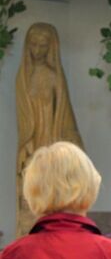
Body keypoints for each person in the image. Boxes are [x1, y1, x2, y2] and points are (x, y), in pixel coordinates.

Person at [15, 22, 84, 236]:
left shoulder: (54, 77)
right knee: (29, 194)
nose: (37, 50)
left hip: (52, 141)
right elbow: (24, 117)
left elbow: (64, 113)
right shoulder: (23, 78)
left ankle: (53, 231)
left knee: (53, 189)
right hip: (31, 145)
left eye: (42, 45)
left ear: (51, 47)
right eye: (33, 44)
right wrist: (26, 144)